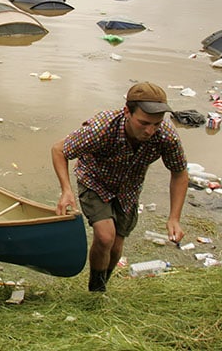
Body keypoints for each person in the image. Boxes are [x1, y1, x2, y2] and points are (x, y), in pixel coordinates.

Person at [51, 82, 189, 292]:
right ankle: (95, 291)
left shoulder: (166, 136)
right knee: (105, 236)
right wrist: (66, 190)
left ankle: (102, 283)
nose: (150, 130)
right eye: (143, 123)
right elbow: (59, 150)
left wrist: (174, 218)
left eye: (156, 124)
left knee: (116, 246)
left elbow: (179, 173)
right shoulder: (102, 127)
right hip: (95, 181)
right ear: (127, 112)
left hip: (129, 189)